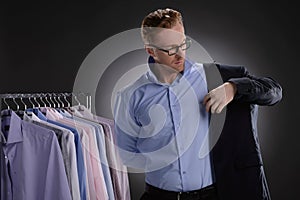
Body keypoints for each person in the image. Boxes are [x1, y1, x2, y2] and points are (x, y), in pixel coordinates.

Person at [113, 8, 282, 200]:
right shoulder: (129, 96)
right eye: (170, 48)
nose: (180, 54)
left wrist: (233, 88)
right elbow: (126, 155)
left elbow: (274, 91)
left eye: (183, 44)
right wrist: (159, 152)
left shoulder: (217, 77)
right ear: (151, 50)